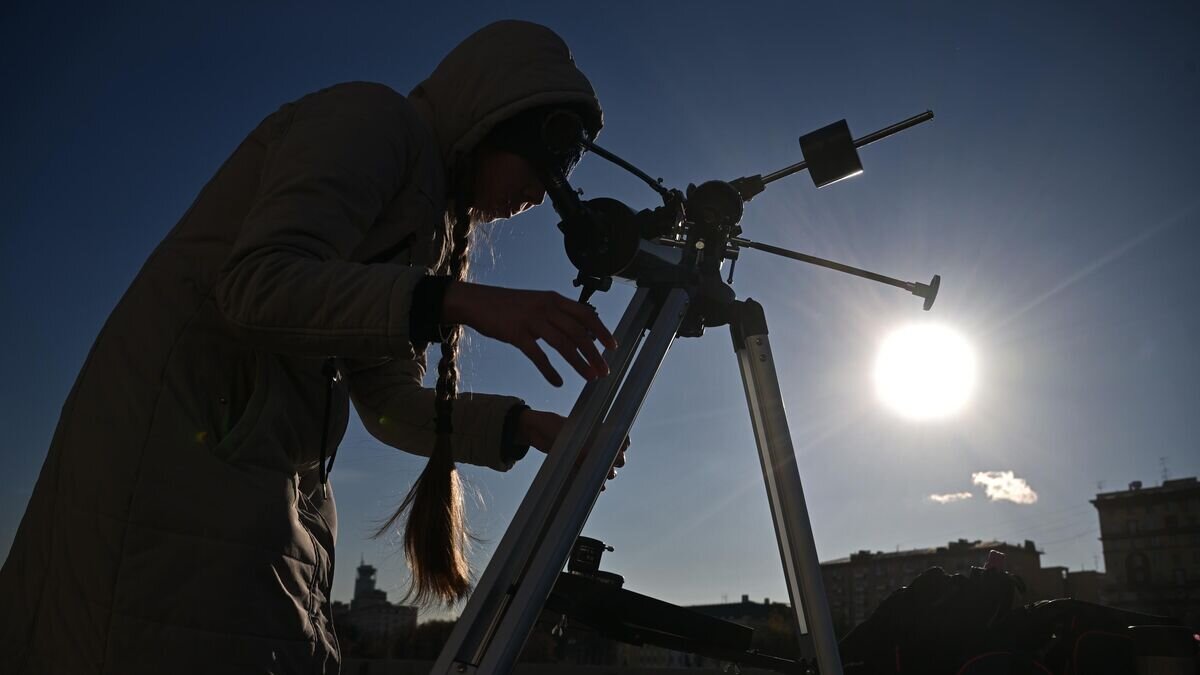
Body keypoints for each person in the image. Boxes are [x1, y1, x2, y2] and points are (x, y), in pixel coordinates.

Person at [0, 19, 626, 674]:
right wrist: (461, 301)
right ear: (495, 118)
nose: (539, 196)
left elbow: (386, 402)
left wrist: (525, 427)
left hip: (262, 488)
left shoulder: (430, 224)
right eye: (542, 165)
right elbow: (253, 286)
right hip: (178, 470)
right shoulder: (372, 121)